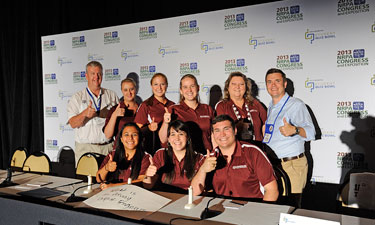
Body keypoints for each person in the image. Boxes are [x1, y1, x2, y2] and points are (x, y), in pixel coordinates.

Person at [192, 115, 278, 200]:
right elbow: (194, 192)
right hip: (221, 209)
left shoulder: (253, 152)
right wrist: (202, 170)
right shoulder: (210, 157)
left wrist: (260, 213)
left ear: (235, 131)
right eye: (217, 131)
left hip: (251, 209)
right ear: (213, 135)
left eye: (226, 129)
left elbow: (272, 190)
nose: (222, 134)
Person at [263, 68, 315, 207]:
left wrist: (295, 130)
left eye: (277, 81)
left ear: (285, 84)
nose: (273, 85)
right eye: (269, 81)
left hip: (291, 166)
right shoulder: (271, 106)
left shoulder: (296, 105)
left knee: (290, 210)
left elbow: (311, 132)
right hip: (274, 165)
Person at [67, 61, 119, 164]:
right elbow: (72, 123)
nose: (96, 77)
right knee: (85, 180)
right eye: (92, 74)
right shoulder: (77, 97)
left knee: (106, 179)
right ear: (86, 76)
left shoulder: (112, 95)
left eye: (99, 73)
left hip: (107, 148)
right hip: (85, 149)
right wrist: (84, 114)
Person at [159, 74, 214, 154]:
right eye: (185, 87)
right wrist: (166, 122)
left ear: (198, 88)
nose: (189, 90)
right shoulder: (173, 110)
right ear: (181, 90)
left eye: (192, 86)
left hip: (207, 155)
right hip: (185, 157)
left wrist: (215, 152)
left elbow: (214, 135)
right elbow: (163, 139)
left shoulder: (207, 109)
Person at [143, 120, 205, 191]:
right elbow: (147, 186)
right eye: (173, 134)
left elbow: (200, 189)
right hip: (164, 198)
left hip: (190, 199)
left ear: (187, 138)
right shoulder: (161, 154)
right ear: (168, 139)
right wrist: (148, 175)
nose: (177, 138)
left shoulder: (199, 158)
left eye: (181, 134)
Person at [215, 72, 267, 145]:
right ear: (228, 87)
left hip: (257, 148)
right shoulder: (222, 106)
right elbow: (219, 131)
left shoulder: (255, 104)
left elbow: (266, 126)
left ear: (246, 87)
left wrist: (266, 145)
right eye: (234, 84)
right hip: (235, 150)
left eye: (241, 84)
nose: (237, 87)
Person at [96, 122, 151, 190]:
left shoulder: (145, 157)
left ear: (139, 138)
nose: (130, 138)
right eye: (126, 135)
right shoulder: (113, 154)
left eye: (134, 134)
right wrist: (106, 168)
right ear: (121, 139)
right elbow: (98, 179)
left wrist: (114, 186)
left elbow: (140, 181)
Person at [134, 73, 174, 155]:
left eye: (162, 84)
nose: (159, 88)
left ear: (166, 85)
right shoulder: (146, 105)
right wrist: (148, 128)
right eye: (156, 84)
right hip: (153, 151)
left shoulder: (173, 105)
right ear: (151, 86)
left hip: (172, 149)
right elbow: (136, 131)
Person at [103, 78, 138, 143]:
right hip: (120, 150)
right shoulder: (115, 109)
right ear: (122, 91)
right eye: (125, 90)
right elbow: (107, 135)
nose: (129, 93)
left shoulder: (142, 108)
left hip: (139, 149)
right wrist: (114, 115)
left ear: (135, 89)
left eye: (131, 89)